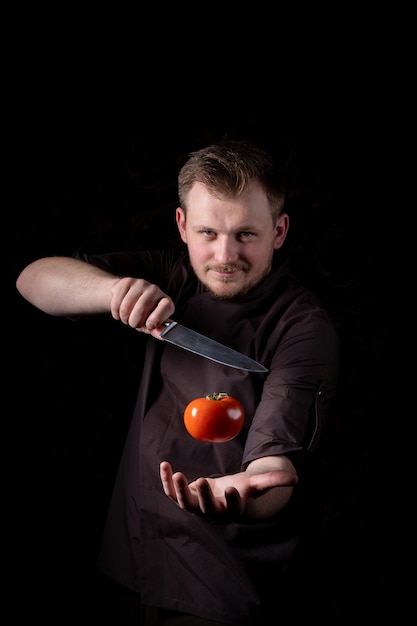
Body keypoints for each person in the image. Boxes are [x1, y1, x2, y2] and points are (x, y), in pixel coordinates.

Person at [16, 139, 339, 625]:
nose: (225, 255)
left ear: (279, 230)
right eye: (208, 232)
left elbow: (274, 471)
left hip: (218, 584)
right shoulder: (172, 277)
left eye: (246, 234)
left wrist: (243, 495)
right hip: (128, 557)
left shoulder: (303, 327)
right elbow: (32, 278)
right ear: (183, 226)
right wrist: (113, 291)